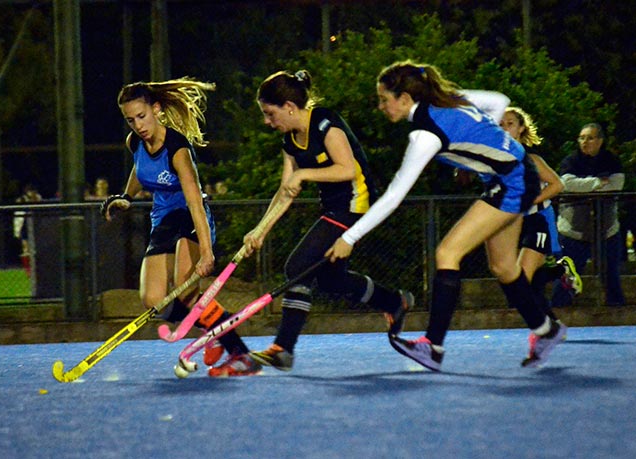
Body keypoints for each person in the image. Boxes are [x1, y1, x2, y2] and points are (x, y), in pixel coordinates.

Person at [326, 61, 567, 371]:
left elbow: (395, 196)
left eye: (384, 99)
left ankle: (433, 346)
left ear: (404, 98)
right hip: (511, 176)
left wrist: (349, 237)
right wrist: (482, 144)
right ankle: (547, 330)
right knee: (504, 266)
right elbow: (498, 100)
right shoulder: (449, 100)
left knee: (447, 252)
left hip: (513, 182)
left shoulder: (425, 135)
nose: (380, 106)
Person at [243, 70, 414, 372]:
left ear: (289, 107)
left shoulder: (325, 124)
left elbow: (347, 169)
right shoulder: (290, 140)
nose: (268, 121)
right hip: (333, 209)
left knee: (297, 267)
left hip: (356, 205)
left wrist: (304, 173)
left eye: (270, 114)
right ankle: (394, 302)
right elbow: (286, 192)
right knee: (332, 280)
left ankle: (283, 348)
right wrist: (259, 231)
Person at [101, 78, 260, 377]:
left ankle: (240, 353)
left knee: (186, 295)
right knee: (152, 300)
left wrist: (207, 252)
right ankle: (214, 329)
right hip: (163, 220)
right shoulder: (135, 142)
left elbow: (195, 202)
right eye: (131, 119)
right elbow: (141, 169)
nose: (138, 125)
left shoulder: (178, 150)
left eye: (142, 116)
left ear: (157, 109)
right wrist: (126, 196)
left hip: (190, 217)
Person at [499, 106, 581, 320]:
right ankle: (559, 279)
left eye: (510, 124)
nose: (505, 128)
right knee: (526, 282)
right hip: (513, 224)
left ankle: (549, 323)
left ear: (520, 129)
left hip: (538, 219)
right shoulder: (496, 162)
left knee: (523, 279)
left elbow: (557, 184)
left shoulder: (531, 160)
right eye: (500, 124)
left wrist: (531, 200)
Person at [550, 123, 625, 307]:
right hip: (573, 231)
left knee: (611, 274)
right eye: (582, 137)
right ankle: (558, 313)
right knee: (567, 275)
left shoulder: (611, 160)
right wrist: (598, 183)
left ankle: (617, 313)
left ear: (600, 140)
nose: (585, 142)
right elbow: (566, 183)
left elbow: (617, 183)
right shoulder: (571, 160)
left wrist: (583, 185)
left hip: (606, 230)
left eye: (590, 138)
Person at [13, 183, 42, 278]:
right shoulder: (21, 200)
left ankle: (37, 269)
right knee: (26, 250)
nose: (32, 193)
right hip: (25, 226)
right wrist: (17, 231)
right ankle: (28, 271)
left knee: (36, 249)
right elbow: (18, 217)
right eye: (30, 191)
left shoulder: (38, 198)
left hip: (36, 226)